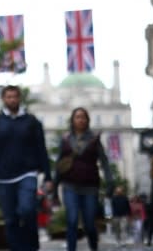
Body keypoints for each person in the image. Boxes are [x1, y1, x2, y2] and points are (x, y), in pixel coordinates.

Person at [0, 85, 53, 251]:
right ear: (3, 99)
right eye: (8, 97)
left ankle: (31, 246)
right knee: (10, 219)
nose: (12, 100)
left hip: (27, 173)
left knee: (27, 210)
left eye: (15, 97)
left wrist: (48, 176)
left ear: (19, 98)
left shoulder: (32, 121)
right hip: (3, 176)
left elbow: (41, 148)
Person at [52, 107, 113, 251]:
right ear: (73, 120)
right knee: (72, 221)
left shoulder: (94, 139)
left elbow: (104, 162)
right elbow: (60, 164)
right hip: (69, 185)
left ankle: (93, 247)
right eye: (77, 117)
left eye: (83, 117)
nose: (80, 120)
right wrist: (54, 187)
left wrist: (110, 182)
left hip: (90, 187)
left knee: (89, 224)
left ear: (87, 120)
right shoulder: (66, 139)